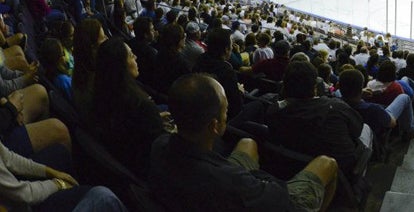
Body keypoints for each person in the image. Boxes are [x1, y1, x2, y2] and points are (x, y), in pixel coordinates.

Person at [149, 73, 338, 212]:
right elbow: (279, 196)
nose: (226, 115)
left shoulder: (160, 144)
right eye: (225, 110)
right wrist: (261, 179)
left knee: (248, 142)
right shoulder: (230, 182)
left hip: (205, 183)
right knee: (327, 163)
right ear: (214, 125)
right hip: (265, 197)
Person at [266, 61, 369, 180]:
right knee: (366, 129)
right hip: (336, 177)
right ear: (315, 86)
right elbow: (357, 130)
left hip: (289, 171)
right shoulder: (336, 107)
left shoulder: (273, 111)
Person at [91, 37, 168, 178]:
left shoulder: (103, 90)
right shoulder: (141, 105)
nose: (136, 58)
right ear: (121, 65)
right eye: (132, 55)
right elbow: (161, 148)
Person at [338, 68, 414, 140]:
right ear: (361, 87)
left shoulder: (335, 103)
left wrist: (361, 94)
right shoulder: (373, 109)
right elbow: (392, 123)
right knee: (404, 97)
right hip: (380, 125)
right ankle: (411, 130)